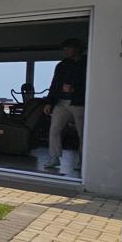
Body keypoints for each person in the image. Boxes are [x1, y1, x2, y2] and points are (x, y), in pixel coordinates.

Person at [43, 38, 86, 170]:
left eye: (68, 48)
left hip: (79, 103)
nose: (65, 51)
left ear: (77, 49)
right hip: (61, 102)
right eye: (64, 49)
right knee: (54, 129)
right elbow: (54, 84)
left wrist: (75, 89)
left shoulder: (86, 63)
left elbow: (91, 82)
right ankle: (54, 157)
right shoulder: (61, 65)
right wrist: (49, 102)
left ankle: (83, 161)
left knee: (82, 133)